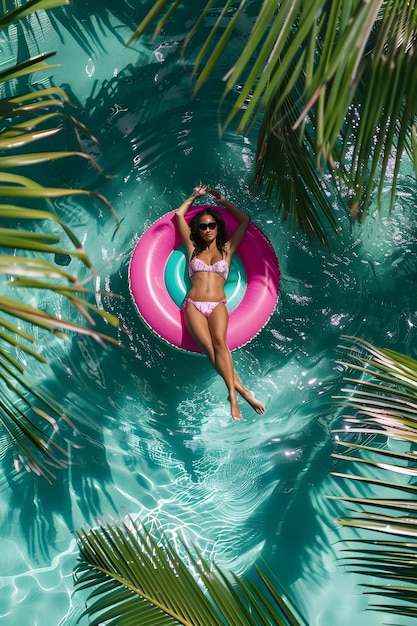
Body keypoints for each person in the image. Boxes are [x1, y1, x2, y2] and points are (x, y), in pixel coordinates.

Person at [175, 184, 265, 421]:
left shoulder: (227, 250)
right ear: (198, 229)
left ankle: (236, 395)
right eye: (202, 226)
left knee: (219, 344)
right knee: (208, 349)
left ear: (217, 227)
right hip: (194, 304)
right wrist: (194, 196)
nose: (207, 229)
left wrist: (224, 201)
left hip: (217, 304)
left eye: (211, 225)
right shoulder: (192, 249)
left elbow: (245, 220)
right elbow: (178, 215)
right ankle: (239, 394)